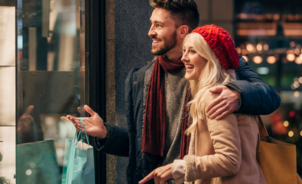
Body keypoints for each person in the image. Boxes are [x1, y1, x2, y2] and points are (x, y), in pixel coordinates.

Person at [67, 0, 280, 183]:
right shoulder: (140, 78)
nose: (150, 32)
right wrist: (106, 133)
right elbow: (140, 149)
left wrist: (237, 93)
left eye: (158, 25)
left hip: (202, 178)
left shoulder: (221, 67)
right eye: (151, 24)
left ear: (182, 31)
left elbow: (269, 95)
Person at [139, 25, 267, 184]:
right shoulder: (232, 92)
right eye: (184, 50)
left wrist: (178, 168)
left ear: (211, 58)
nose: (184, 58)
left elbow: (229, 160)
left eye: (192, 51)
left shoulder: (215, 96)